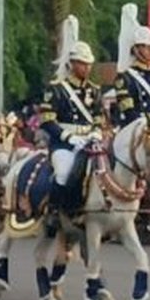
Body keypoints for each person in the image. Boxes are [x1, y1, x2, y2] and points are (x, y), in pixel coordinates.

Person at [40, 18, 102, 213]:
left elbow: (99, 116)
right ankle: (55, 210)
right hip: (64, 143)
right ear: (72, 63)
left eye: (89, 64)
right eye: (83, 64)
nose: (87, 68)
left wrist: (97, 132)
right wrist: (69, 137)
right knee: (63, 173)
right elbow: (47, 121)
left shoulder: (94, 90)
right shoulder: (57, 89)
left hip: (90, 142)